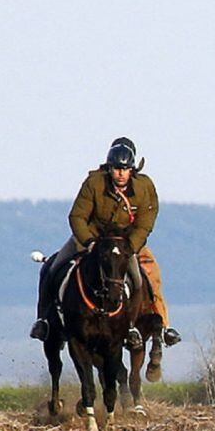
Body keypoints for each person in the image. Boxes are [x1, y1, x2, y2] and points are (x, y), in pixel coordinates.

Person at [31, 137, 181, 347]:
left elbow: (145, 223)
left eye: (125, 168)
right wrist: (89, 241)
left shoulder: (145, 187)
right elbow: (77, 216)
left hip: (126, 243)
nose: (120, 173)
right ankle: (44, 321)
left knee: (145, 277)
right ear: (109, 168)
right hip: (91, 238)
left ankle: (157, 327)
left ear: (132, 169)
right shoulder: (94, 183)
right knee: (53, 267)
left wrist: (131, 246)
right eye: (116, 168)